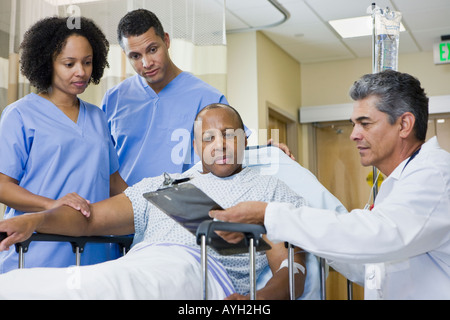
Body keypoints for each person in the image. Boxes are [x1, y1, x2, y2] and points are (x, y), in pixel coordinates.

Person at [0, 104, 306, 300]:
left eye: (229, 135)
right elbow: (89, 218)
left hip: (200, 273)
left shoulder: (269, 190)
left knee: (97, 290)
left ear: (245, 139)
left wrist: (256, 302)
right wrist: (36, 220)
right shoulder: (164, 186)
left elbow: (291, 268)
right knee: (42, 284)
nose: (220, 145)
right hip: (139, 264)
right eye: (209, 138)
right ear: (196, 147)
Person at [210, 70, 450, 300]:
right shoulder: (398, 184)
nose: (353, 134)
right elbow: (366, 266)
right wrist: (278, 165)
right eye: (354, 124)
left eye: (365, 123)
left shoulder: (434, 175)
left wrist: (267, 214)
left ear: (405, 125)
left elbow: (373, 236)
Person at [102, 9, 294, 186]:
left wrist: (265, 152)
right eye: (135, 56)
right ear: (125, 55)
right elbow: (101, 158)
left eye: (153, 49)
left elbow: (226, 152)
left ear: (166, 41)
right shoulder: (114, 99)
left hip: (180, 206)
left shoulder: (207, 97)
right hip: (125, 207)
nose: (146, 63)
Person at [0, 17, 127, 273]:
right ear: (48, 62)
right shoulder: (20, 115)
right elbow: (2, 186)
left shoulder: (98, 117)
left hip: (95, 254)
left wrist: (153, 201)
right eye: (69, 64)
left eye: (87, 62)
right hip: (37, 251)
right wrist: (52, 205)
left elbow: (112, 183)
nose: (81, 71)